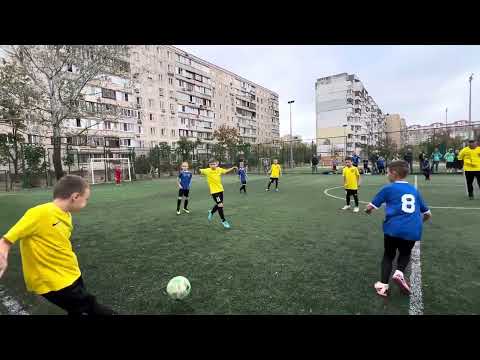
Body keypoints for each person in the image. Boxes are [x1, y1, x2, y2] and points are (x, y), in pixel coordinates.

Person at [0, 175, 116, 315]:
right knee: (90, 307)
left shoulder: (67, 215)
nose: (87, 203)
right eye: (86, 199)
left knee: (77, 310)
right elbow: (7, 239)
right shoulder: (39, 213)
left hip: (71, 272)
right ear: (75, 196)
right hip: (53, 281)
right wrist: (3, 253)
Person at [365, 160, 431, 297]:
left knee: (388, 255)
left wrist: (368, 210)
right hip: (413, 230)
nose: (387, 175)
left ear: (394, 173)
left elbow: (370, 207)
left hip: (393, 229)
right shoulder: (414, 190)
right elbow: (427, 214)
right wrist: (418, 223)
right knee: (405, 254)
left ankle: (383, 286)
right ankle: (399, 272)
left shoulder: (388, 188)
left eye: (388, 172)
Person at [199, 159, 237, 229]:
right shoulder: (207, 170)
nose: (212, 165)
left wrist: (233, 168)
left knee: (219, 204)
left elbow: (226, 171)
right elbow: (200, 170)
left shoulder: (219, 169)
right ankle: (223, 221)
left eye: (214, 164)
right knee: (220, 205)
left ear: (216, 164)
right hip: (214, 192)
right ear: (209, 165)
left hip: (220, 190)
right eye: (211, 164)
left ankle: (212, 212)